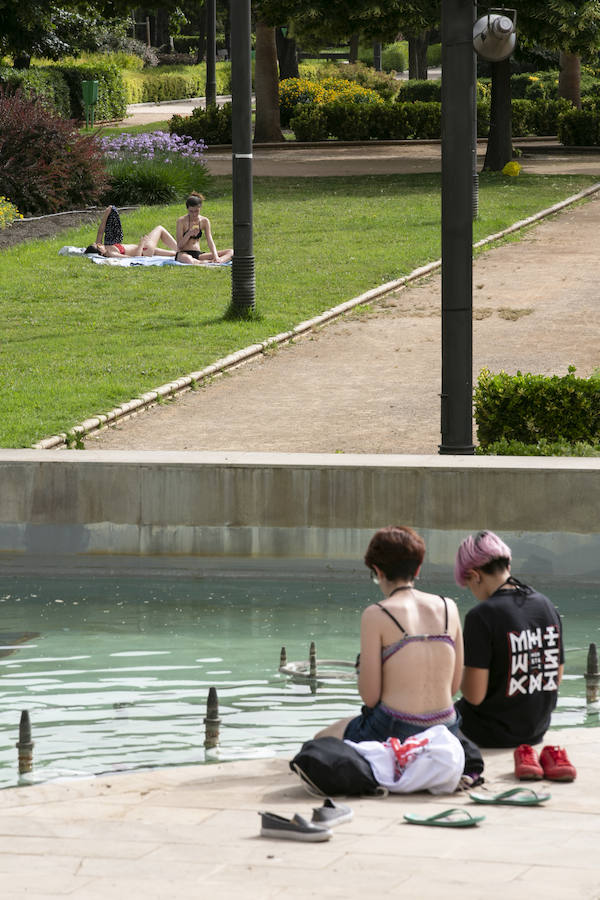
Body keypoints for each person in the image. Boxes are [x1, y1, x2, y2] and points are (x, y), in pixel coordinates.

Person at [315, 525, 463, 742]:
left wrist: (362, 670)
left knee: (320, 739)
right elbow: (452, 687)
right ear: (418, 568)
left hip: (397, 728)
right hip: (446, 727)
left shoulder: (377, 614)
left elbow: (371, 697)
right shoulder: (449, 607)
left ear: (379, 571)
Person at [454, 530, 565, 750]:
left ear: (475, 576)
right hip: (536, 729)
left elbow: (474, 696)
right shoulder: (546, 604)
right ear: (508, 567)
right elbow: (555, 678)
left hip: (490, 733)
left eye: (469, 585)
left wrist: (456, 667)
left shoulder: (481, 616)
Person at [85, 205, 177, 258]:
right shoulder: (111, 254)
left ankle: (184, 252)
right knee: (159, 228)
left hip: (145, 249)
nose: (99, 244)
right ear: (100, 253)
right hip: (143, 251)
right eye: (98, 246)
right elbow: (134, 259)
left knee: (175, 254)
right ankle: (180, 248)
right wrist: (141, 244)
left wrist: (106, 214)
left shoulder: (105, 247)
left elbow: (100, 232)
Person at [175, 192, 233, 265]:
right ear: (187, 209)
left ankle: (216, 261)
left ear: (200, 208)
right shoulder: (181, 221)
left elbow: (210, 240)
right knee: (189, 260)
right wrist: (189, 234)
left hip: (198, 254)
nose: (194, 214)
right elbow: (179, 246)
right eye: (191, 211)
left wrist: (216, 256)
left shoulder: (204, 221)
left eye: (196, 211)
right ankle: (209, 263)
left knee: (231, 252)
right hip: (183, 253)